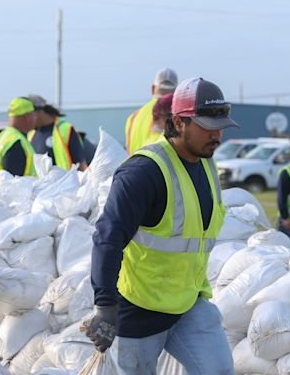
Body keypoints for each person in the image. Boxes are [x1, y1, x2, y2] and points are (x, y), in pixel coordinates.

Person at [83, 77, 237, 375]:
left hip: (188, 303)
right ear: (179, 123)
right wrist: (105, 306)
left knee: (219, 371)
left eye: (220, 127)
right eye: (207, 126)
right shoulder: (143, 173)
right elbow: (108, 239)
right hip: (141, 310)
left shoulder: (205, 161)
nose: (216, 135)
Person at [26, 94, 88, 171]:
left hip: (65, 181)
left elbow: (81, 165)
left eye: (28, 115)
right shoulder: (30, 135)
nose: (26, 120)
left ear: (38, 112)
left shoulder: (65, 129)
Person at [125, 68, 178, 155]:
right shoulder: (172, 114)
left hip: (133, 165)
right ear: (176, 91)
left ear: (153, 88)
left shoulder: (132, 118)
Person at [0, 97, 37, 181]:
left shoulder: (3, 136)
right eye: (34, 115)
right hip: (17, 193)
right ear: (27, 117)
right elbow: (13, 182)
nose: (35, 118)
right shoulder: (16, 142)